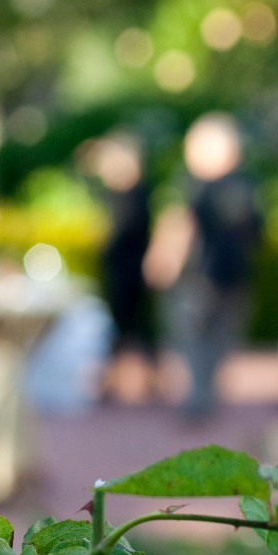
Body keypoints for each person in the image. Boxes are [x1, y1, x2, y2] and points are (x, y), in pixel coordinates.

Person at [147, 113, 261, 418]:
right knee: (206, 340)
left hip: (204, 276)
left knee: (199, 339)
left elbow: (183, 224)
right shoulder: (245, 184)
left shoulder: (202, 186)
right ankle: (202, 396)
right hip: (221, 275)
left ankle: (200, 398)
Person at [87, 133, 156, 403]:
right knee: (130, 328)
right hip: (121, 268)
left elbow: (124, 232)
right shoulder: (122, 194)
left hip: (128, 270)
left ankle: (120, 381)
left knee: (127, 327)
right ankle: (126, 379)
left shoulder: (133, 195)